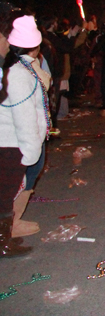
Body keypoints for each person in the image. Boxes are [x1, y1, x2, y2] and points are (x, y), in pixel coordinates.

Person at [0, 15, 50, 256]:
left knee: (6, 191)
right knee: (5, 193)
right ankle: (3, 241)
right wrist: (31, 150)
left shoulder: (19, 69)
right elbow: (24, 117)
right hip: (11, 143)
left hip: (10, 140)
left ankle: (8, 232)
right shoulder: (19, 74)